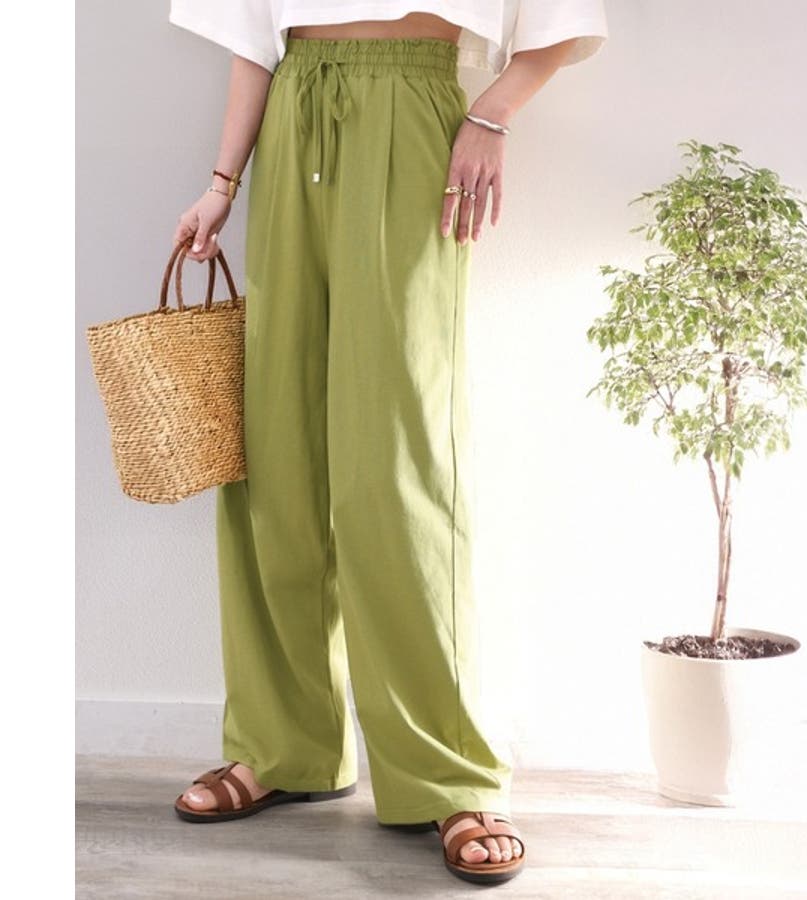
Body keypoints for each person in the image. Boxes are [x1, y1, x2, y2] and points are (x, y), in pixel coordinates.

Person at [167, 0, 608, 886]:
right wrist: (221, 183)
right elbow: (256, 40)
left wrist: (491, 115)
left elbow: (560, 22)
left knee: (399, 457)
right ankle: (283, 745)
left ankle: (450, 773)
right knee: (275, 450)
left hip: (415, 114)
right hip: (295, 112)